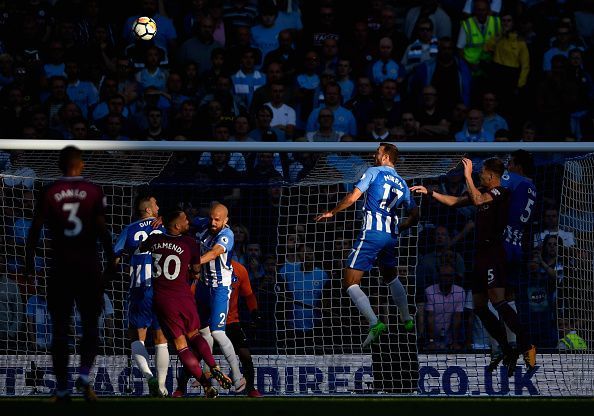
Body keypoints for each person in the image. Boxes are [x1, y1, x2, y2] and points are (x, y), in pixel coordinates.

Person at [411, 157, 537, 375]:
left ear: (491, 175)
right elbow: (455, 201)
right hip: (479, 255)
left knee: (498, 301)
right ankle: (507, 349)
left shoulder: (501, 192)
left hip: (494, 253)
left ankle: (526, 344)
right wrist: (430, 193)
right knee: (479, 306)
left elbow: (479, 201)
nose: (479, 175)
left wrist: (467, 176)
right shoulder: (480, 191)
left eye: (481, 173)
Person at [25, 146, 116, 402]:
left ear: (59, 165)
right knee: (90, 325)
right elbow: (102, 229)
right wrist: (111, 260)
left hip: (60, 267)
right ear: (81, 164)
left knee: (60, 329)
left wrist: (29, 263)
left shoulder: (49, 191)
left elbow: (35, 230)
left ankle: (63, 387)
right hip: (88, 267)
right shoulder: (94, 191)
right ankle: (85, 376)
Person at [315, 143, 419, 347]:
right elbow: (415, 215)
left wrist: (332, 212)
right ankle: (407, 319)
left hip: (372, 233)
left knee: (350, 282)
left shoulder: (374, 172)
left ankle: (374, 322)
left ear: (386, 156)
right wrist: (400, 227)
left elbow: (353, 197)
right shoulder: (402, 183)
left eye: (378, 152)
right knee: (390, 276)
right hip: (391, 235)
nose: (374, 155)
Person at [140, 210, 232, 399]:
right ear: (176, 225)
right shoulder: (190, 243)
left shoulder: (154, 240)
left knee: (181, 344)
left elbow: (142, 247)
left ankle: (207, 386)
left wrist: (155, 229)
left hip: (163, 300)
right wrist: (193, 270)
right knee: (195, 335)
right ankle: (213, 366)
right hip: (184, 297)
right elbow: (196, 269)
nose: (187, 221)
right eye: (183, 219)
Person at [174, 260, 263, 398]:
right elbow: (191, 295)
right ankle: (180, 389)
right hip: (206, 322)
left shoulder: (240, 270)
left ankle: (251, 388)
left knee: (245, 354)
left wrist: (254, 311)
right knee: (196, 354)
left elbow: (249, 295)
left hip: (231, 320)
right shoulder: (203, 271)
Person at [113, 194, 169, 397]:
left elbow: (115, 255)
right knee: (161, 337)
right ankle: (162, 387)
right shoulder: (164, 226)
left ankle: (148, 377)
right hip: (162, 287)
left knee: (136, 335)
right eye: (156, 204)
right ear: (148, 209)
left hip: (139, 288)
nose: (158, 206)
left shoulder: (129, 229)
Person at [487, 150, 537, 370]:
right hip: (518, 245)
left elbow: (491, 192)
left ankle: (503, 346)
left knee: (493, 296)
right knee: (509, 295)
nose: (507, 168)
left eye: (510, 164)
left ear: (517, 165)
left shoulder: (512, 178)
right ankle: (515, 343)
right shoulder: (532, 186)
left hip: (503, 243)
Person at [192, 203, 245, 392]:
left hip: (220, 289)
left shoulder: (227, 235)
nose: (213, 222)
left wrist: (193, 262)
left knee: (217, 332)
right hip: (203, 287)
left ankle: (238, 377)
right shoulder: (203, 225)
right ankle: (206, 372)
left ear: (225, 220)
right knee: (202, 331)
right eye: (211, 218)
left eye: (218, 219)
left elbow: (214, 253)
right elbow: (185, 221)